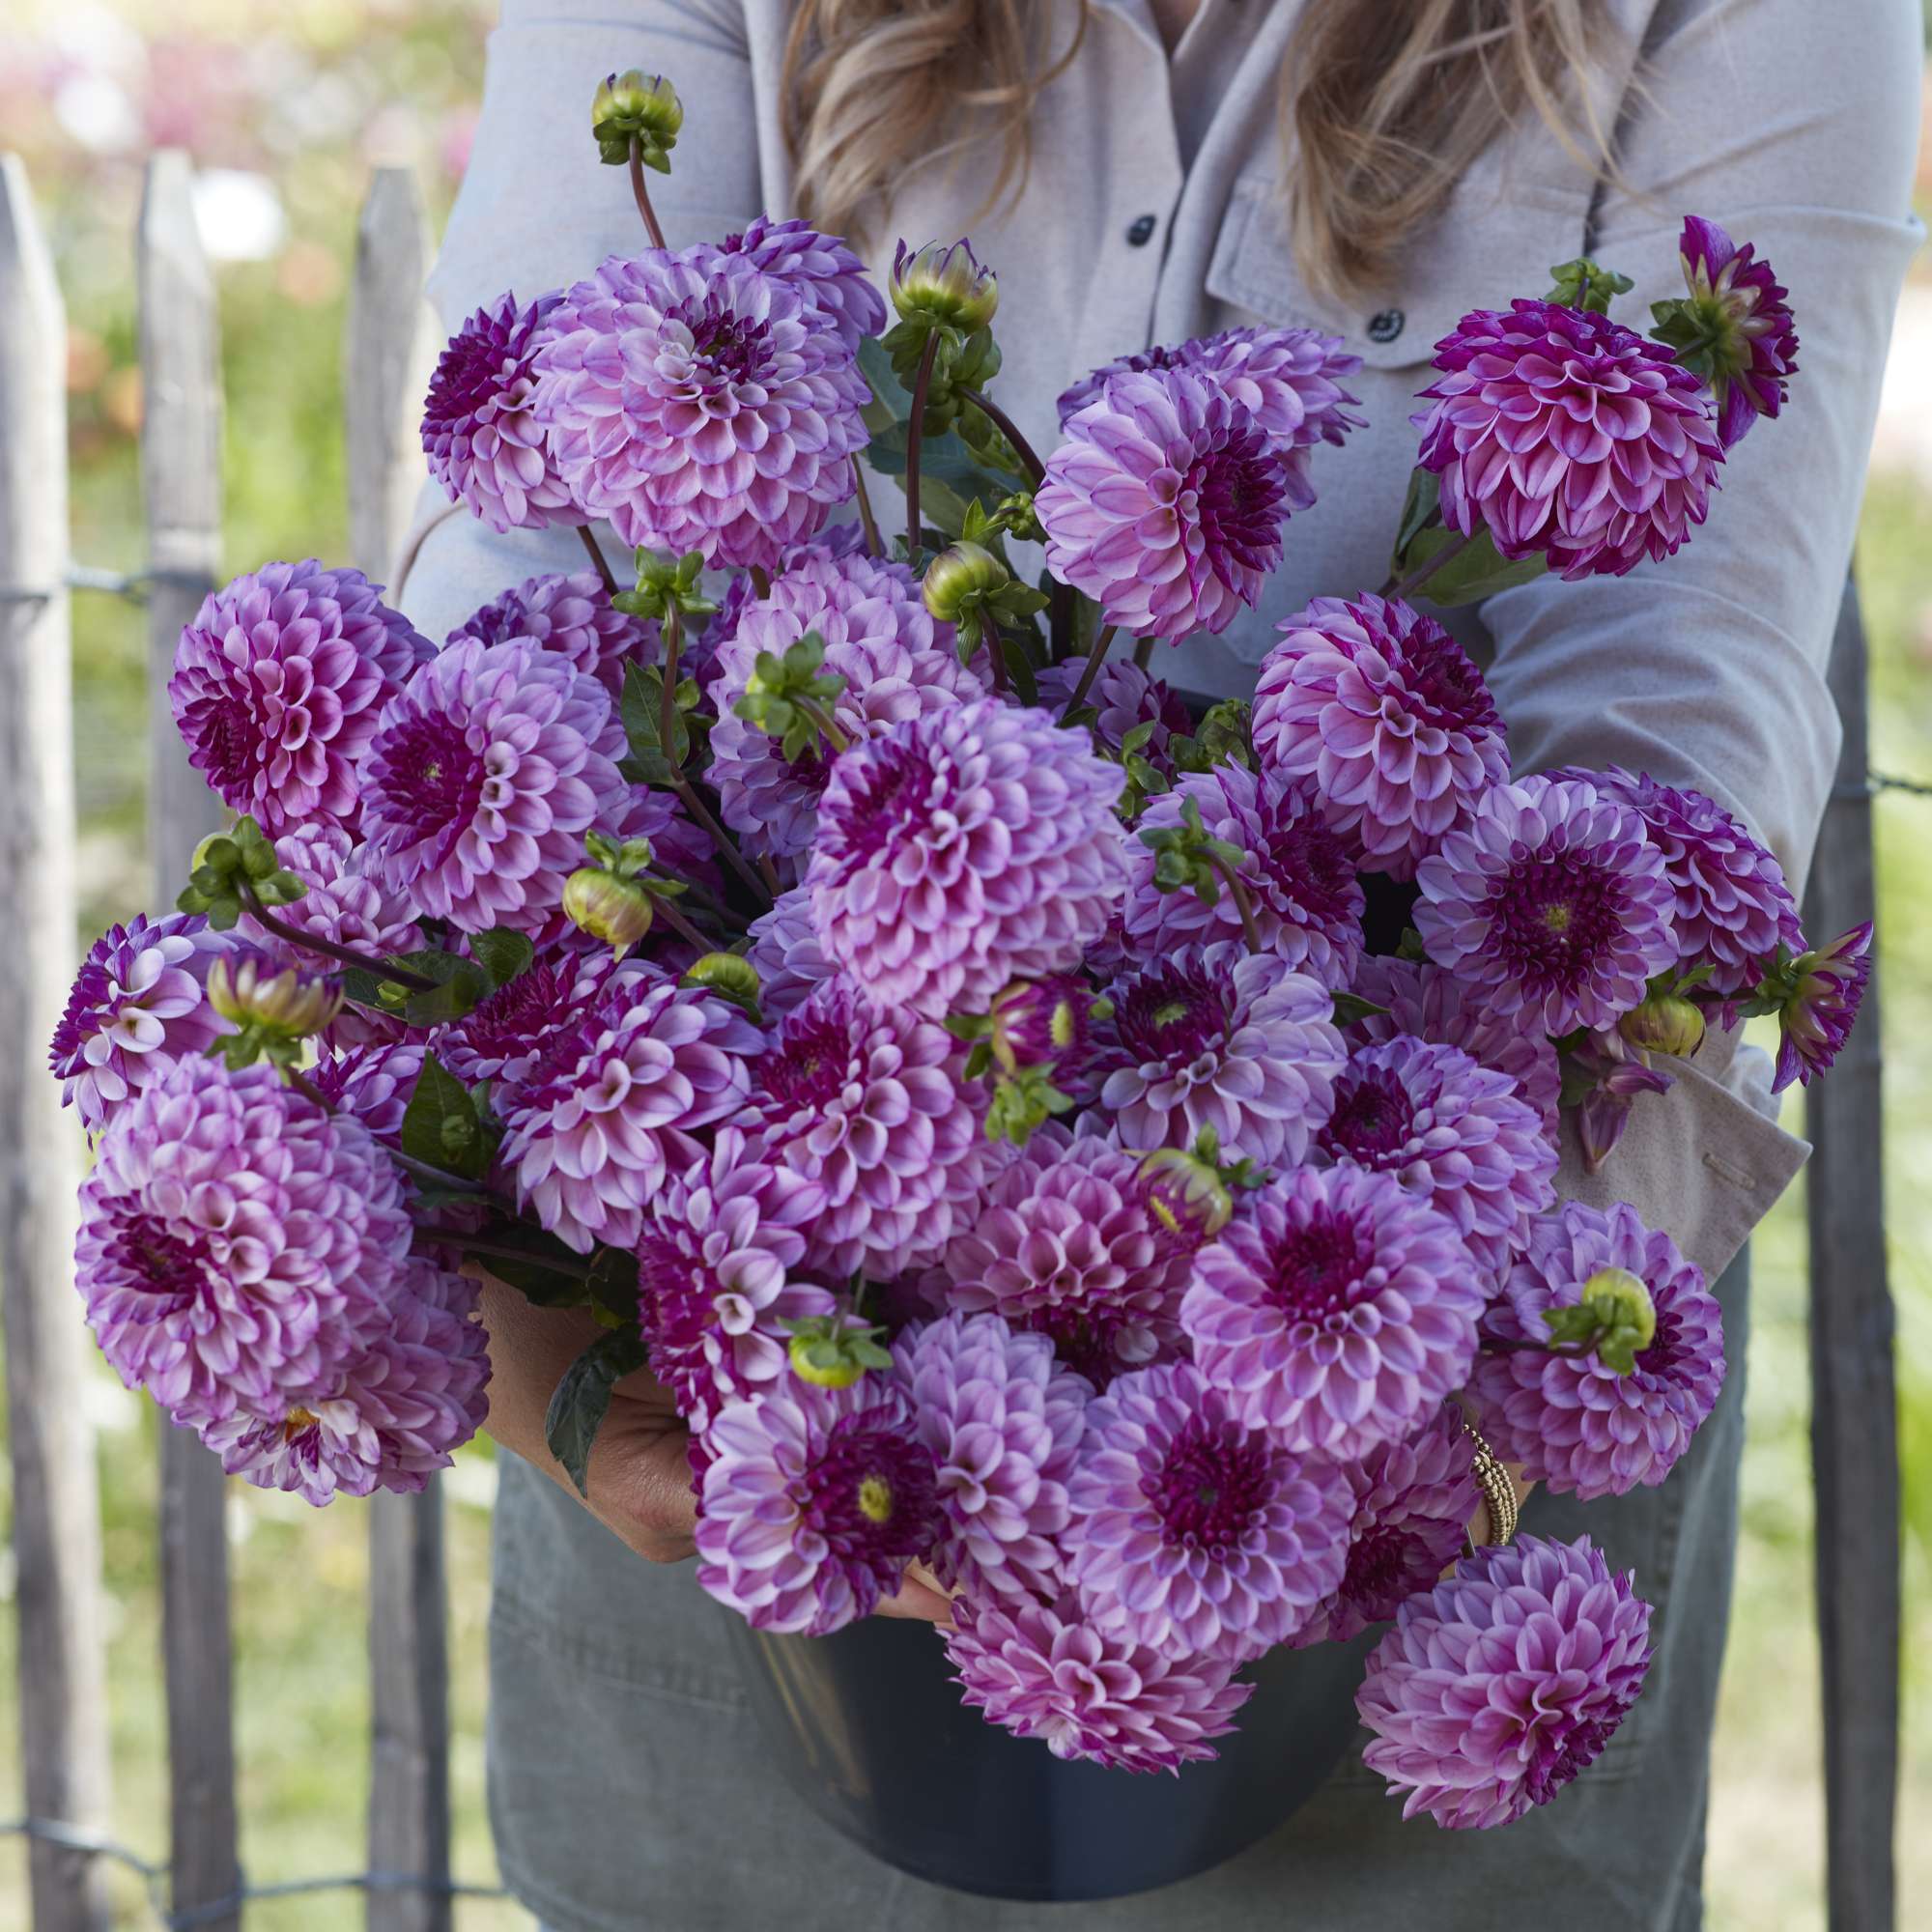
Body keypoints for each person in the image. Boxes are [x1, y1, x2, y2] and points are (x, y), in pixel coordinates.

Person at [396, 3, 1921, 1926]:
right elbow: (527, 543)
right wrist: (553, 1352)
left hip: (1400, 1383)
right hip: (728, 1366)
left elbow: (1660, 712)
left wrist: (1395, 1414)